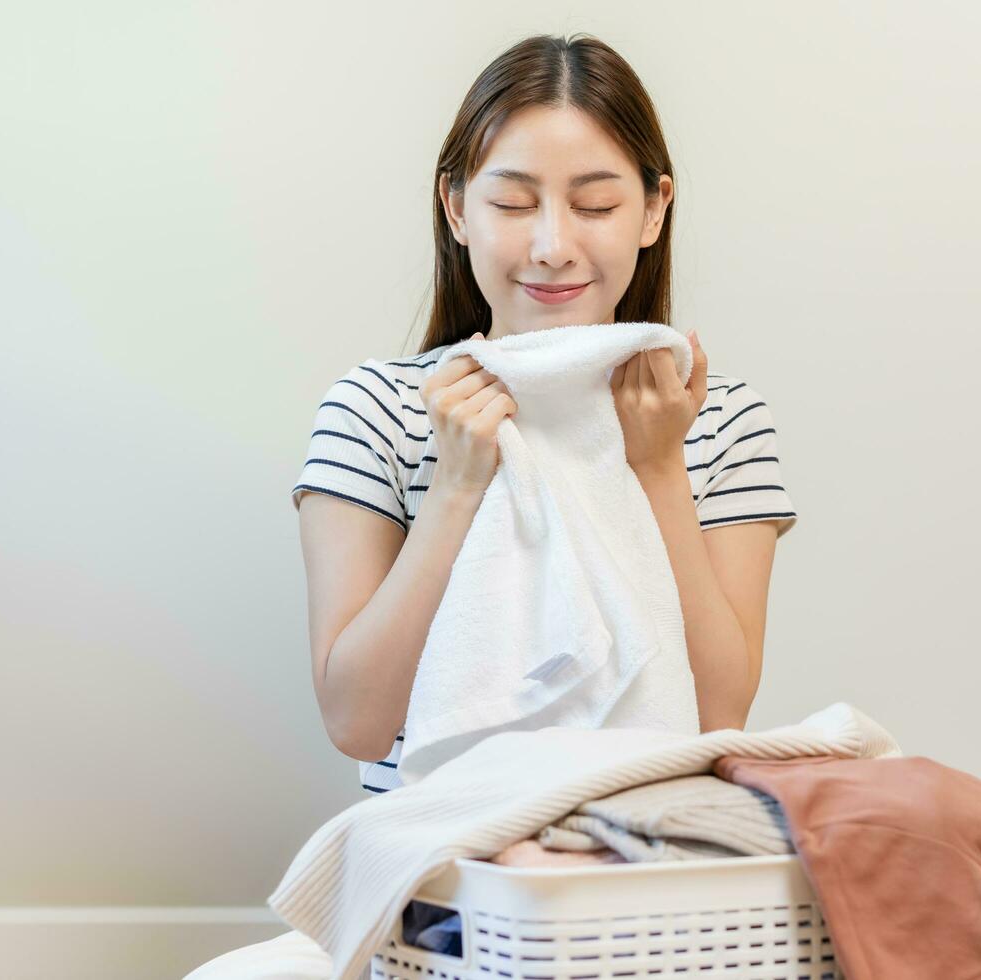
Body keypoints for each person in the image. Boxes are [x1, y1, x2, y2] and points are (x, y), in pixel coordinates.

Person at [185, 31, 798, 980]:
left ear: (653, 209)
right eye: (513, 202)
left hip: (648, 883)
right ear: (456, 208)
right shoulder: (378, 410)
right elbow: (356, 717)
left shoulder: (716, 420)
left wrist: (659, 471)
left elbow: (718, 709)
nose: (553, 244)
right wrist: (459, 484)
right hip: (440, 888)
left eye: (596, 203)